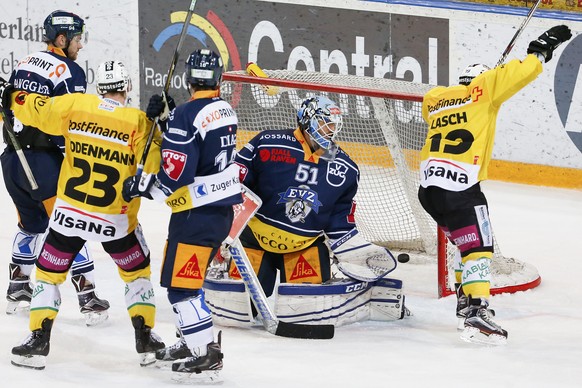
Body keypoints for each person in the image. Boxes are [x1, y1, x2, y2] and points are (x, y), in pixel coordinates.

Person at [0, 60, 165, 369]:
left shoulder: (77, 105)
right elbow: (155, 169)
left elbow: (37, 108)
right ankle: (146, 340)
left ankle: (37, 340)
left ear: (98, 87)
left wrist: (11, 95)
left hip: (69, 216)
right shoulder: (138, 121)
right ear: (127, 88)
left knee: (49, 275)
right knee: (137, 274)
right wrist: (160, 126)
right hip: (115, 221)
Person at [417, 25, 572, 345]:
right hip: (460, 186)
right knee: (478, 248)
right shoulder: (485, 88)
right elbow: (518, 73)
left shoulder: (435, 100)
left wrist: (484, 80)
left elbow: (463, 99)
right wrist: (540, 51)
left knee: (463, 243)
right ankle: (476, 309)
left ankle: (464, 300)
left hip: (429, 190)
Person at [204, 95, 400, 327]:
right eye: (324, 123)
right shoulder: (268, 143)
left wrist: (354, 251)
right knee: (240, 307)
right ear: (307, 121)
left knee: (306, 312)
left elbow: (340, 222)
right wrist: (219, 232)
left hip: (304, 246)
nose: (330, 130)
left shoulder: (345, 168)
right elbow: (234, 183)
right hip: (254, 240)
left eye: (333, 125)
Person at [122, 48, 242, 381]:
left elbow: (176, 176)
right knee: (186, 282)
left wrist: (140, 185)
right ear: (218, 79)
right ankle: (189, 341)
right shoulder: (225, 109)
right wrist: (169, 119)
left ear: (187, 79)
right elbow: (200, 144)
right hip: (216, 212)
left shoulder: (187, 116)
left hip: (196, 214)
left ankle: (206, 354)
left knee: (181, 289)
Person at [0, 9, 109, 324]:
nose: (80, 45)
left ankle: (18, 285)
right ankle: (87, 294)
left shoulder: (25, 62)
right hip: (44, 163)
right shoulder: (70, 71)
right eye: (77, 38)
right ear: (61, 39)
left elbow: (9, 106)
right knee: (70, 225)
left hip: (12, 161)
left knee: (31, 225)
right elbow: (68, 123)